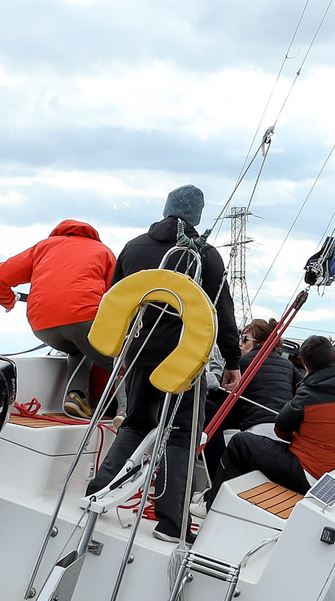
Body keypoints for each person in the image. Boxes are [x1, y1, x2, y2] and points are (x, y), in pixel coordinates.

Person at [87, 186, 242, 540]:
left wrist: (122, 353)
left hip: (141, 354)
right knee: (181, 437)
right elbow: (221, 312)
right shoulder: (208, 257)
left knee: (136, 424)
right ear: (197, 216)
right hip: (184, 361)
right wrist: (232, 359)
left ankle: (98, 489)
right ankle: (171, 523)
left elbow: (117, 303)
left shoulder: (134, 247)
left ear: (166, 209)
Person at [208, 334, 335, 502]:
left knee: (240, 442)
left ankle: (212, 502)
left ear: (307, 367)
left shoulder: (308, 392)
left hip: (308, 475)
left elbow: (280, 430)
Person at [0, 220, 117, 417]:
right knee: (118, 361)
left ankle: (76, 396)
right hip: (84, 318)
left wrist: (8, 302)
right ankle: (127, 413)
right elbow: (115, 297)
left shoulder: (43, 247)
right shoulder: (103, 251)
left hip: (42, 325)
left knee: (79, 349)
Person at [214, 318, 299, 435]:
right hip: (285, 430)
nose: (239, 343)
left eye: (244, 339)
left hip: (255, 427)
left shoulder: (240, 363)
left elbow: (222, 394)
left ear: (261, 341)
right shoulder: (289, 365)